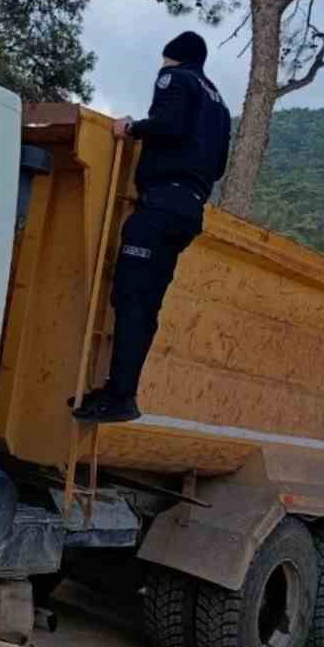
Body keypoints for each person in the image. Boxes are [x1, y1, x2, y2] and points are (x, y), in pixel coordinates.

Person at [74, 30, 231, 423]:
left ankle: (119, 395)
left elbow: (169, 124)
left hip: (160, 204)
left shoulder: (175, 77)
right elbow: (218, 167)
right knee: (146, 304)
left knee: (130, 297)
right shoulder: (220, 104)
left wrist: (132, 129)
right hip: (189, 210)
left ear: (173, 58)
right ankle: (121, 391)